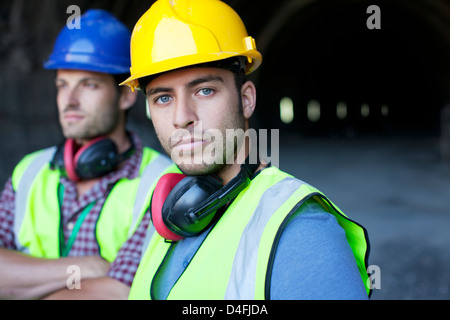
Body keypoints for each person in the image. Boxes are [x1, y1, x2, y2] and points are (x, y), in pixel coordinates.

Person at [117, 0, 372, 300]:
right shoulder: (169, 214)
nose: (181, 116)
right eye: (162, 98)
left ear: (247, 99)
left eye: (205, 90)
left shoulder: (302, 234)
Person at [0, 9, 177, 300]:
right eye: (62, 85)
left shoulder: (162, 182)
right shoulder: (28, 171)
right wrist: (84, 267)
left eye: (89, 85)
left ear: (126, 95)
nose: (69, 101)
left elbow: (120, 291)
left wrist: (23, 282)